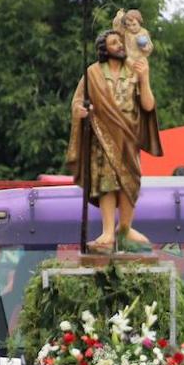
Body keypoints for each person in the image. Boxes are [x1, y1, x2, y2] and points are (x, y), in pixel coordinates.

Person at [67, 28, 163, 252]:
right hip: (103, 135)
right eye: (113, 42)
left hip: (129, 135)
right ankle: (108, 232)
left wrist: (145, 77)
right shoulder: (92, 73)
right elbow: (77, 102)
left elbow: (148, 105)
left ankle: (125, 228)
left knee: (130, 181)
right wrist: (80, 111)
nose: (120, 45)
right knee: (107, 182)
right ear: (104, 49)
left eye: (120, 42)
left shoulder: (133, 70)